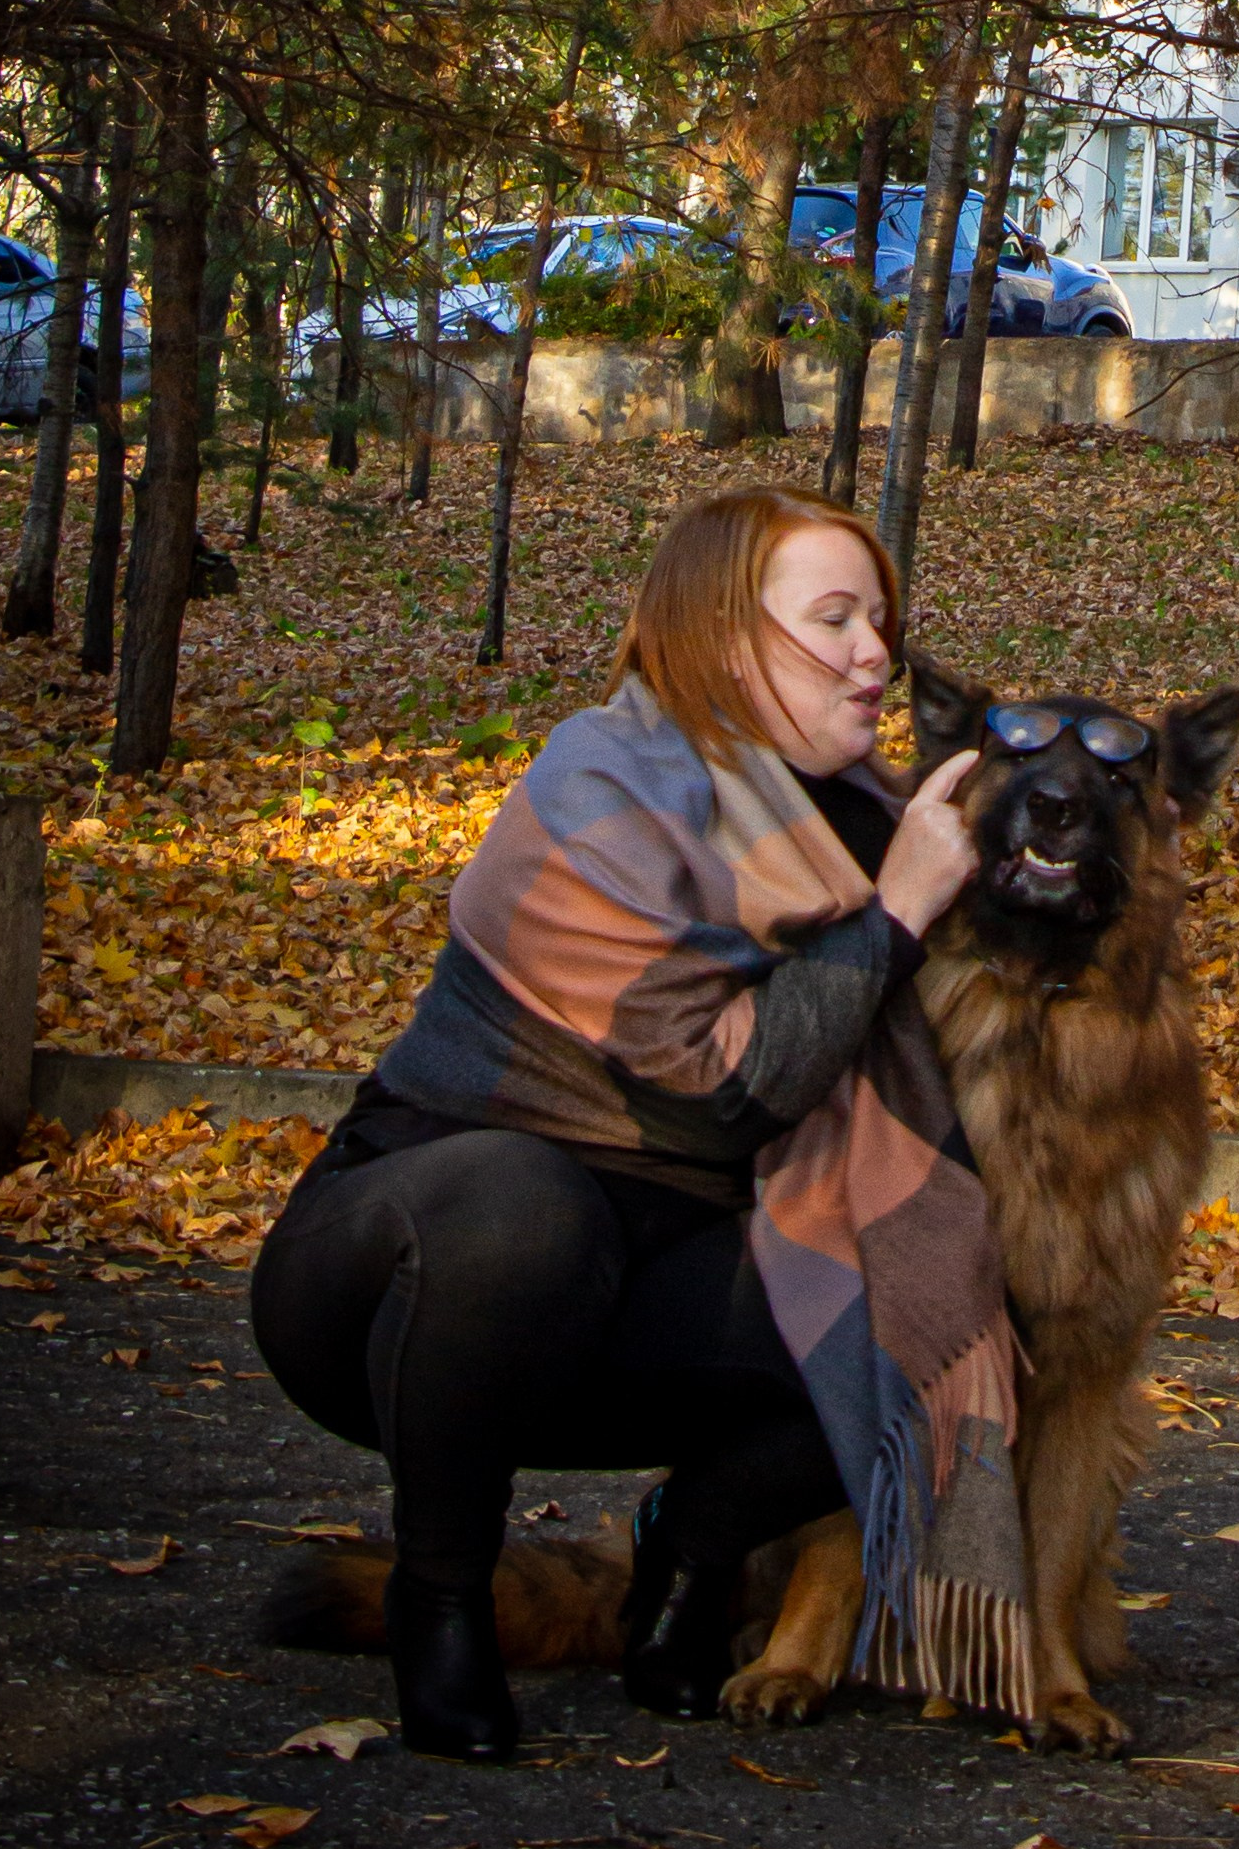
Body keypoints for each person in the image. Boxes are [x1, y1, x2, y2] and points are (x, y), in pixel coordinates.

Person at [251, 485, 1027, 1765]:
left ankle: (694, 1546)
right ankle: (439, 1593)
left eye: (879, 619)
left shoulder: (867, 822)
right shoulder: (605, 780)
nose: (875, 653)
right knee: (522, 1207)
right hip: (399, 1282)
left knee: (938, 1283)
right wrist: (888, 921)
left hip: (648, 1296)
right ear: (727, 640)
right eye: (831, 618)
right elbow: (716, 1088)